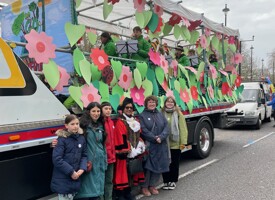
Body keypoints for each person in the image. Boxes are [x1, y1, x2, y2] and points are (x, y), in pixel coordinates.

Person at [113, 97, 146, 200]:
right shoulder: (120, 122)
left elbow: (138, 134)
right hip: (125, 153)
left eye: (131, 108)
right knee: (122, 174)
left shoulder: (135, 120)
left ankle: (128, 192)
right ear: (122, 109)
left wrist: (140, 144)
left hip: (135, 151)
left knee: (131, 173)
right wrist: (128, 149)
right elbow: (120, 137)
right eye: (127, 108)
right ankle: (121, 195)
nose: (129, 109)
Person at [75, 102, 107, 200]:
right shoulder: (82, 125)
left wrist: (105, 160)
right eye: (93, 111)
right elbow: (70, 134)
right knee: (86, 191)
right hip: (88, 163)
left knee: (97, 190)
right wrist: (57, 141)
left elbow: (102, 144)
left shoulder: (101, 125)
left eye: (98, 111)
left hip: (99, 162)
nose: (96, 113)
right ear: (88, 112)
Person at [51, 114, 87, 200]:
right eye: (72, 124)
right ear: (66, 125)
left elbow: (84, 155)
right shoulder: (62, 139)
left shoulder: (81, 139)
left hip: (76, 178)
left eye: (77, 124)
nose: (75, 126)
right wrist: (71, 172)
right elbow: (57, 159)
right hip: (63, 180)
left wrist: (82, 169)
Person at [139, 95, 170, 196]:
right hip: (150, 145)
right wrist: (154, 138)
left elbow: (166, 126)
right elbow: (143, 130)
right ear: (146, 104)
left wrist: (161, 137)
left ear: (156, 103)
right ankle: (144, 187)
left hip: (161, 144)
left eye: (153, 102)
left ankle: (152, 185)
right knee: (148, 166)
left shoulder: (160, 114)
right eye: (150, 102)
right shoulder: (142, 115)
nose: (152, 104)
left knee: (159, 165)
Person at [161, 96, 188, 190]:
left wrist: (183, 142)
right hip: (164, 144)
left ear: (174, 104)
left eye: (172, 102)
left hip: (176, 143)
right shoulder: (161, 113)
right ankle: (166, 181)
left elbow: (183, 129)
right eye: (168, 102)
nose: (169, 103)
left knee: (174, 163)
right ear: (164, 103)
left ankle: (173, 181)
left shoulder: (178, 114)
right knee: (165, 163)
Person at [100, 102, 116, 200]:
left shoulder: (111, 122)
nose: (108, 111)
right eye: (106, 108)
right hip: (103, 156)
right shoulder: (99, 123)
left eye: (110, 109)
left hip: (112, 156)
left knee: (109, 181)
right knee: (101, 182)